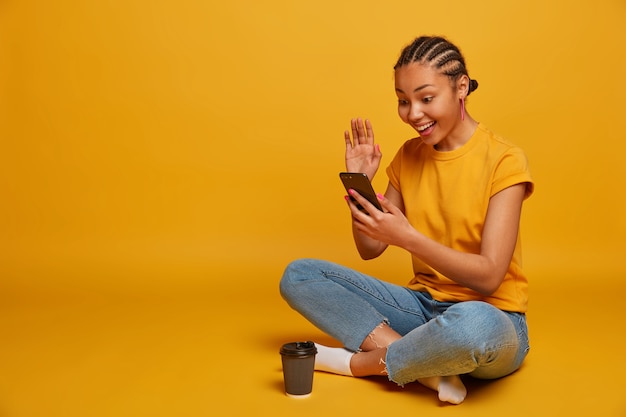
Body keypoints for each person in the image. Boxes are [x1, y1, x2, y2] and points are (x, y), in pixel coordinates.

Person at [279, 35, 534, 405]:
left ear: (461, 87)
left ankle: (358, 364)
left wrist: (409, 238)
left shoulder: (505, 160)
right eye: (403, 100)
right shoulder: (409, 156)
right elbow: (370, 248)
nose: (413, 113)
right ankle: (429, 368)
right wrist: (361, 189)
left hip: (494, 319)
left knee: (473, 327)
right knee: (299, 275)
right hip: (421, 309)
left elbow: (490, 274)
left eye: (426, 98)